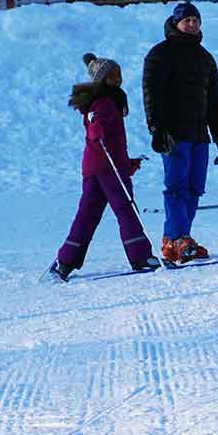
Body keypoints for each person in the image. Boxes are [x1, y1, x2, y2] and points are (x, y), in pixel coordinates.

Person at [48, 54, 161, 280]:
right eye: (112, 76)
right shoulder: (105, 101)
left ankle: (65, 261)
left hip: (96, 167)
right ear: (102, 79)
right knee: (126, 208)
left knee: (88, 214)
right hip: (107, 167)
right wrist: (96, 132)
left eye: (119, 75)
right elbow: (96, 123)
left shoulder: (102, 100)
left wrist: (127, 163)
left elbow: (103, 131)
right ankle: (141, 257)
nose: (117, 80)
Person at [142, 1, 218, 264]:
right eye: (187, 20)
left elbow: (214, 101)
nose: (192, 24)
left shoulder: (206, 58)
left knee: (195, 188)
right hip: (173, 134)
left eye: (196, 20)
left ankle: (177, 240)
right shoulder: (160, 54)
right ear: (176, 22)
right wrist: (156, 129)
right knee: (176, 187)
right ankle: (179, 237)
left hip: (199, 135)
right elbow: (151, 95)